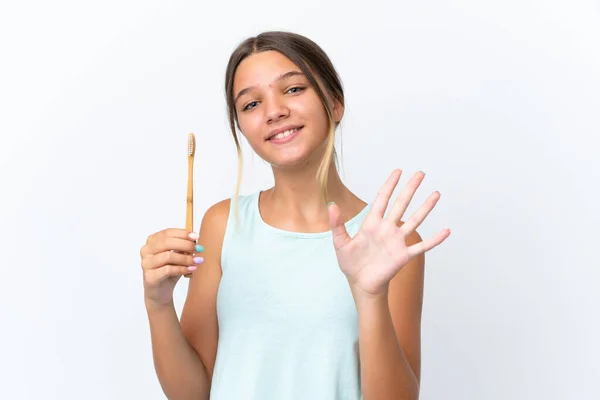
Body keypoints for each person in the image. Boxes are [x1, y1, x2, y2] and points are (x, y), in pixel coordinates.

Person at [139, 31, 450, 400]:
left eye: (293, 89)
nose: (274, 112)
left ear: (335, 104)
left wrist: (370, 297)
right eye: (251, 105)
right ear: (243, 128)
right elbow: (191, 394)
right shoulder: (223, 226)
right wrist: (157, 303)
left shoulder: (391, 241)